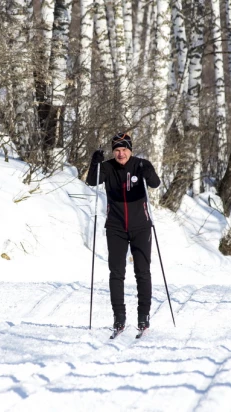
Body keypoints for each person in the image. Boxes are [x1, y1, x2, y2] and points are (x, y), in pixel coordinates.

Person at [86, 132, 161, 334]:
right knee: (116, 272)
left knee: (142, 272)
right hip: (116, 227)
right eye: (117, 150)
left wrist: (148, 170)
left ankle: (143, 316)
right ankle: (119, 317)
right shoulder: (108, 167)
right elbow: (92, 182)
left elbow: (155, 183)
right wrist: (95, 163)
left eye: (124, 150)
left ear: (130, 150)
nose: (121, 154)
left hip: (141, 226)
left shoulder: (140, 164)